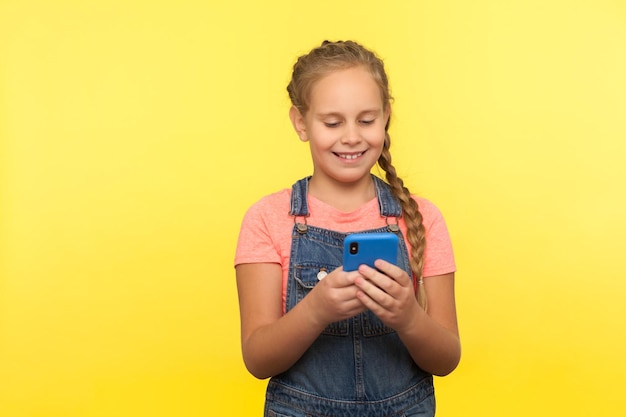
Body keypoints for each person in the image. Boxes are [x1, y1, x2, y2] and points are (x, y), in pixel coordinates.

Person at [234, 40, 460, 417]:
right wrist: (316, 310)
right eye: (333, 122)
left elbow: (447, 358)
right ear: (300, 123)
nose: (352, 136)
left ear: (386, 117)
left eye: (366, 120)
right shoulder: (267, 219)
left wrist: (408, 316)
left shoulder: (422, 218)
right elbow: (258, 359)